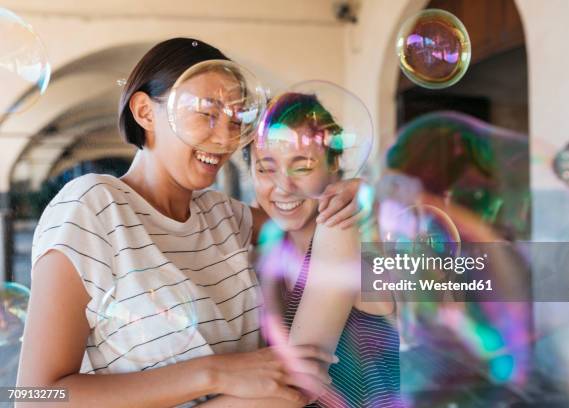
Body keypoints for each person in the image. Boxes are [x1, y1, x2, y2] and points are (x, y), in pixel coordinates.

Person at [17, 38, 363, 408]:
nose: (224, 137)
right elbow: (34, 396)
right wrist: (213, 372)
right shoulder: (93, 206)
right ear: (145, 113)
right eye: (207, 113)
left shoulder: (225, 216)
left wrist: (358, 192)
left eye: (235, 119)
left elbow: (318, 221)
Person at [246, 93, 401, 407]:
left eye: (301, 166)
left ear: (334, 166)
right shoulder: (268, 251)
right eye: (265, 168)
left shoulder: (349, 234)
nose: (283, 186)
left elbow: (295, 386)